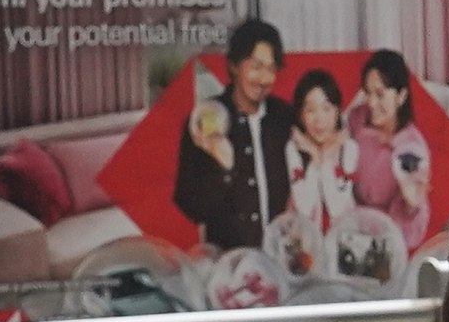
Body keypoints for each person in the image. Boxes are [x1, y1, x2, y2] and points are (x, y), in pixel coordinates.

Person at [171, 18, 293, 254]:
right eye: (256, 67)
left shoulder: (284, 117)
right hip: (227, 264)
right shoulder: (205, 120)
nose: (264, 79)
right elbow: (190, 207)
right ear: (234, 66)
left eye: (271, 68)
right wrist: (224, 170)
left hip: (281, 258)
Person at [273, 67, 365, 280]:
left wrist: (326, 157)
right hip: (303, 246)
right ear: (301, 115)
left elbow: (337, 206)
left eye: (326, 108)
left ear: (337, 111)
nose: (319, 119)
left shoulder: (349, 149)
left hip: (344, 244)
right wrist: (315, 159)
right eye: (310, 110)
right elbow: (304, 207)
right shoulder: (294, 149)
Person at [346, 50, 433, 250]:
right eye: (367, 93)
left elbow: (411, 206)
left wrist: (411, 203)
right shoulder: (356, 119)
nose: (371, 103)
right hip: (350, 221)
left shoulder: (411, 148)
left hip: (387, 236)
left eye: (380, 94)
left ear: (401, 96)